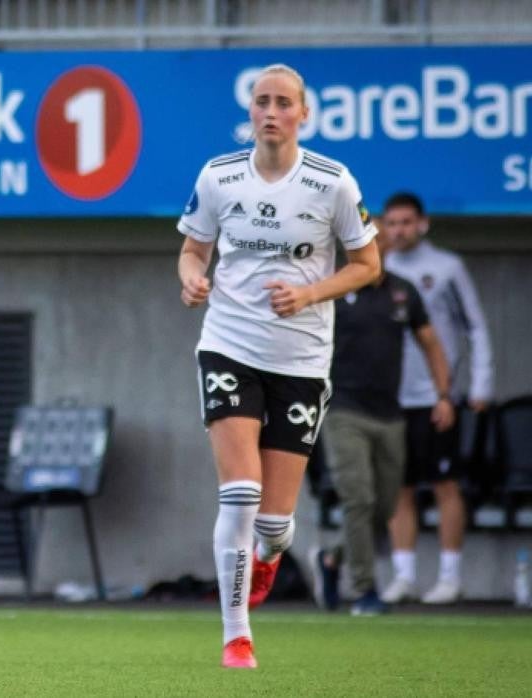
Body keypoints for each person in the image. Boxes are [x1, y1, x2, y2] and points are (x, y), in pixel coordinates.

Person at [177, 63, 380, 668]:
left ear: (302, 114)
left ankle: (269, 555)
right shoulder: (219, 176)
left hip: (301, 361)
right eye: (262, 102)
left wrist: (311, 293)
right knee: (238, 493)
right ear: (251, 112)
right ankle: (236, 635)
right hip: (229, 345)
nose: (271, 112)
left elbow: (368, 265)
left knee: (273, 522)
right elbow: (192, 250)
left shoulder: (332, 183)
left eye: (283, 103)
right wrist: (192, 279)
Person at [314, 223, 454, 616]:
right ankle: (364, 591)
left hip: (391, 415)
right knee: (357, 500)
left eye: (372, 242)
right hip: (343, 411)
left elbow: (430, 342)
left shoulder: (402, 291)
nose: (367, 248)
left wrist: (443, 395)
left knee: (386, 505)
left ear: (383, 247)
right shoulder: (333, 289)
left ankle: (332, 557)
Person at [379, 191, 493, 606]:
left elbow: (475, 327)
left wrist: (479, 384)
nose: (399, 230)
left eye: (406, 222)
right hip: (392, 397)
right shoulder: (378, 269)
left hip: (438, 396)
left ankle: (450, 576)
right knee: (399, 488)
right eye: (391, 223)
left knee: (445, 484)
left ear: (422, 223)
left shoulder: (447, 267)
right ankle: (404, 576)